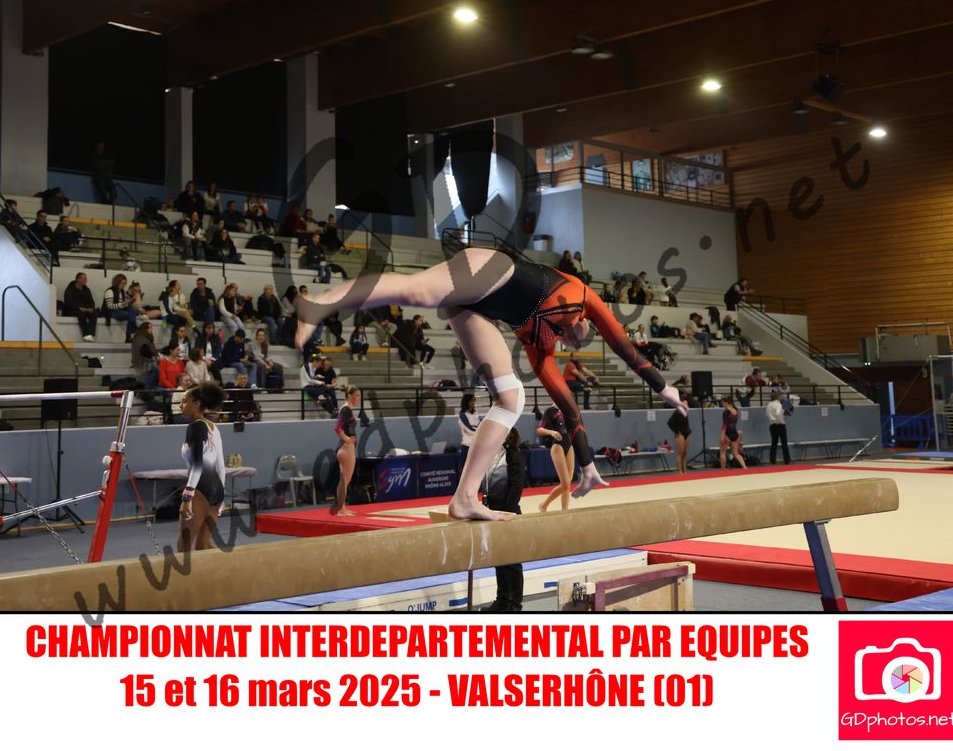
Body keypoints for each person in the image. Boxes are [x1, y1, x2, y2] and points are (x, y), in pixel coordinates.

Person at [291, 246, 686, 520]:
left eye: (570, 340)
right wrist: (664, 388)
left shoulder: (540, 349)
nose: (574, 338)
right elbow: (623, 345)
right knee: (419, 291)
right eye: (576, 332)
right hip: (493, 270)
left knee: (511, 398)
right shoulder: (584, 297)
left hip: (475, 306)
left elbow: (569, 408)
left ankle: (464, 497)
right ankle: (321, 303)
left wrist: (587, 466)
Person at [177, 383, 228, 552]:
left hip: (200, 489)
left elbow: (197, 464)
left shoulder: (195, 426)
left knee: (184, 547)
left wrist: (187, 496)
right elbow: (221, 465)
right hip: (216, 490)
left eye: (184, 401)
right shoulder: (213, 427)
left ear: (197, 403)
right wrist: (222, 495)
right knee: (203, 546)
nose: (180, 405)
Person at [483, 427, 527, 612]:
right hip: (492, 513)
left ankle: (514, 604)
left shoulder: (514, 455)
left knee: (512, 562)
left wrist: (506, 513)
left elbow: (517, 485)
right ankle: (502, 601)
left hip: (508, 514)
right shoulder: (493, 456)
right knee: (499, 560)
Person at [536, 402, 573, 512]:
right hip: (558, 446)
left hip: (570, 445)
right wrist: (552, 432)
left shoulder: (568, 409)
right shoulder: (550, 411)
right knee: (565, 483)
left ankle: (564, 511)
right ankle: (544, 505)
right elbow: (539, 429)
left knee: (568, 484)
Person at [331, 386, 361, 516]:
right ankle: (341, 510)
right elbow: (337, 428)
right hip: (346, 448)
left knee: (345, 480)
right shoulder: (346, 409)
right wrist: (347, 439)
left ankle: (342, 507)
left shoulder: (346, 409)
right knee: (344, 480)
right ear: (349, 395)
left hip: (344, 447)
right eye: (357, 395)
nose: (359, 398)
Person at [102, 274, 139, 341]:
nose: (123, 285)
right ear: (117, 282)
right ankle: (130, 333)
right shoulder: (110, 291)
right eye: (122, 283)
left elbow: (123, 304)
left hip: (120, 309)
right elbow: (109, 306)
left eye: (125, 283)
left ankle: (129, 334)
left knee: (131, 309)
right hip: (111, 311)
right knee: (128, 315)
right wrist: (121, 304)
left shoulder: (122, 291)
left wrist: (127, 303)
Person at [63, 272, 98, 342]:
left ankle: (91, 334)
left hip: (85, 309)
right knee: (81, 315)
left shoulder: (87, 289)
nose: (86, 281)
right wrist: (79, 308)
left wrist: (91, 308)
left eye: (86, 279)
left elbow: (91, 301)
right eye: (84, 279)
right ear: (78, 279)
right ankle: (86, 335)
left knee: (94, 313)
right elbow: (68, 302)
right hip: (72, 310)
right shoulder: (70, 289)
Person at [719, 396, 747, 469]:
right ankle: (745, 467)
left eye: (723, 403)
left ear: (726, 403)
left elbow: (725, 425)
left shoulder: (726, 412)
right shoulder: (735, 410)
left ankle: (723, 471)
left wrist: (722, 435)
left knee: (722, 453)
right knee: (736, 453)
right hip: (734, 433)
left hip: (727, 434)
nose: (722, 404)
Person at [131, 321, 160, 388]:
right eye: (149, 328)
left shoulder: (147, 338)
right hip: (142, 362)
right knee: (157, 369)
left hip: (147, 361)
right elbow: (145, 351)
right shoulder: (139, 339)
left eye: (151, 328)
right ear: (144, 329)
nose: (151, 330)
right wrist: (154, 357)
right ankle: (148, 387)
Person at [766, 390, 791, 465]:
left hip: (772, 425)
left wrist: (773, 419)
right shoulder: (779, 404)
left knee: (774, 443)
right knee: (784, 443)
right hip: (780, 424)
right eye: (780, 396)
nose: (781, 397)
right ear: (777, 397)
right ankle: (786, 460)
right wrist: (778, 421)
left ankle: (772, 460)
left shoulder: (769, 404)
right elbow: (777, 414)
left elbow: (767, 414)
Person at [667, 402, 691, 476]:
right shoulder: (677, 412)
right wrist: (677, 431)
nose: (686, 405)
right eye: (685, 404)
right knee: (680, 453)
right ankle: (679, 470)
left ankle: (684, 470)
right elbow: (669, 423)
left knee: (685, 453)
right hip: (680, 434)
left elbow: (686, 423)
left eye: (687, 404)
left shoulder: (686, 412)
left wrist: (689, 431)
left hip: (686, 433)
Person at [91, 140, 115, 205]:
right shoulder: (94, 155)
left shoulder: (106, 155)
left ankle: (110, 205)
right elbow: (97, 165)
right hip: (99, 178)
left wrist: (103, 165)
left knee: (114, 192)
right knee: (103, 193)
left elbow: (112, 162)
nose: (102, 147)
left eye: (103, 146)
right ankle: (105, 206)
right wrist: (106, 165)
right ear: (97, 147)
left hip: (107, 178)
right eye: (100, 146)